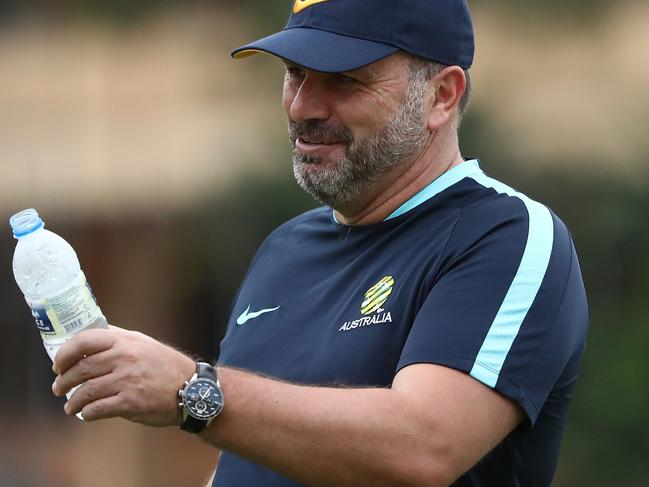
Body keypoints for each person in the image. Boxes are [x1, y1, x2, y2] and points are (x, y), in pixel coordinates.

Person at [50, 1, 589, 486]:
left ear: (441, 96)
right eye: (295, 74)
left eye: (345, 81)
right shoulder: (286, 248)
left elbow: (425, 446)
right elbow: (249, 459)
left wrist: (191, 390)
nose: (303, 106)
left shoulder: (503, 234)